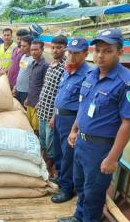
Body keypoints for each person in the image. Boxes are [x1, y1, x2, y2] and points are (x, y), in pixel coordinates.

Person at [58, 29, 130, 222]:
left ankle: (89, 219)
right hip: (81, 143)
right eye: (97, 50)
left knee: (94, 192)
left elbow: (128, 123)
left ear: (120, 52)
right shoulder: (91, 75)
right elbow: (83, 105)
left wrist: (112, 158)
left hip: (102, 148)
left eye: (107, 51)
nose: (100, 55)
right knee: (80, 184)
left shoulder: (128, 83)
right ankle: (79, 217)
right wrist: (74, 130)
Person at [51, 38, 91, 205]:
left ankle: (67, 188)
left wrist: (75, 128)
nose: (72, 56)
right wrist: (54, 115)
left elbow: (84, 105)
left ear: (86, 54)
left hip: (71, 120)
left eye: (76, 53)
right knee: (58, 151)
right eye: (70, 52)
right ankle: (61, 179)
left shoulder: (87, 75)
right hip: (59, 117)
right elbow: (60, 95)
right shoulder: (68, 70)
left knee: (68, 155)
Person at [37, 35, 67, 178]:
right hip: (43, 109)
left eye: (59, 48)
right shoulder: (52, 64)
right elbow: (47, 86)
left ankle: (49, 170)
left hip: (52, 114)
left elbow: (62, 94)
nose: (55, 50)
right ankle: (43, 166)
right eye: (53, 47)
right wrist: (39, 102)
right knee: (42, 140)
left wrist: (55, 116)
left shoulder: (65, 67)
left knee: (50, 145)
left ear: (64, 48)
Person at [25, 40, 49, 135]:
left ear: (42, 50)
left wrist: (40, 102)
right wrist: (28, 97)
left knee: (37, 130)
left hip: (37, 104)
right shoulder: (33, 63)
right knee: (29, 126)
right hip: (30, 101)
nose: (33, 52)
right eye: (32, 50)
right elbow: (33, 84)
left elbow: (45, 85)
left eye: (36, 50)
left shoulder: (45, 66)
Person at [13, 35, 34, 106]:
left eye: (24, 46)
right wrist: (15, 86)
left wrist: (29, 96)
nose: (21, 48)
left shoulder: (33, 60)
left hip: (26, 92)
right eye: (21, 45)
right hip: (18, 89)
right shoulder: (23, 56)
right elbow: (21, 72)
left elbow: (35, 79)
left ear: (31, 46)